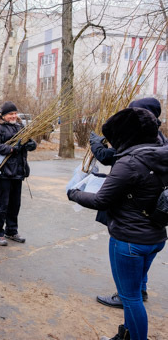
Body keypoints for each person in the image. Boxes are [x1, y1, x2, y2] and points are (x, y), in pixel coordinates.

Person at [68, 107, 168, 340]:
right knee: (132, 293)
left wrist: (73, 193)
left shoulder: (129, 162)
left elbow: (102, 200)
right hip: (155, 236)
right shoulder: (161, 153)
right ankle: (126, 334)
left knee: (130, 298)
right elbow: (139, 186)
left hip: (129, 239)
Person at [90, 97, 167, 308]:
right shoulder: (159, 140)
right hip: (152, 222)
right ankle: (139, 290)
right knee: (142, 262)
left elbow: (111, 159)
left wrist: (96, 147)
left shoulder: (138, 140)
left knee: (129, 285)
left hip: (131, 218)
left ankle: (128, 295)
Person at [0, 101, 36, 246]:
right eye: (10, 114)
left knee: (15, 204)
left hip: (19, 171)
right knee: (3, 204)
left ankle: (11, 230)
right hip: (4, 171)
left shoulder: (20, 126)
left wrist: (32, 145)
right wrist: (12, 149)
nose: (14, 116)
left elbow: (29, 141)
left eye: (15, 113)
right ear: (3, 115)